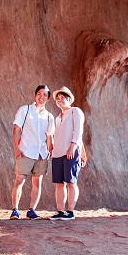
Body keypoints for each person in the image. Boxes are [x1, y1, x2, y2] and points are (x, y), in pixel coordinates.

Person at [9, 85, 54, 220]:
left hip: (41, 153)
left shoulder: (49, 116)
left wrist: (50, 151)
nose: (42, 97)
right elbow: (16, 129)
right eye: (39, 94)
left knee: (37, 182)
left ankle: (31, 210)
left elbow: (50, 136)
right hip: (26, 150)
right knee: (19, 180)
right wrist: (17, 149)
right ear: (35, 96)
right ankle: (15, 210)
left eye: (45, 95)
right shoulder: (25, 110)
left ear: (48, 98)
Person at [49, 86, 86, 220]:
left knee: (71, 182)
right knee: (59, 183)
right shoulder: (57, 117)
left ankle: (70, 211)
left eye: (62, 98)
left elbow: (78, 131)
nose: (59, 100)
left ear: (68, 99)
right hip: (57, 153)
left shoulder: (75, 111)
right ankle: (60, 211)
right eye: (58, 99)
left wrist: (72, 147)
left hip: (71, 152)